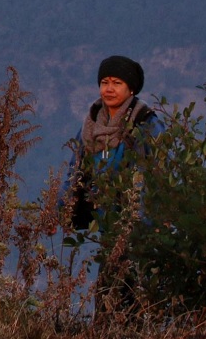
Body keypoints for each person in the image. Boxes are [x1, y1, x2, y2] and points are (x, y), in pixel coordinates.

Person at [60, 55, 165, 308]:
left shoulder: (146, 124)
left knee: (132, 294)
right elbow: (75, 172)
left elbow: (155, 177)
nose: (109, 89)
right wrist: (60, 210)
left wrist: (141, 225)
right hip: (106, 224)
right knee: (108, 292)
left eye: (117, 83)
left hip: (137, 227)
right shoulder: (90, 126)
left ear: (131, 89)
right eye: (104, 82)